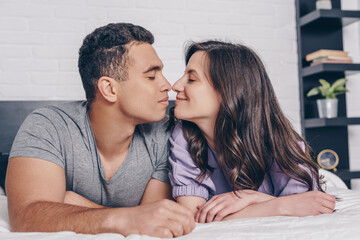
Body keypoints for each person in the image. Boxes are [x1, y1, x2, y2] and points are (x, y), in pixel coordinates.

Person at [5, 23, 194, 238]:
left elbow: (153, 220)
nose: (167, 85)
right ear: (109, 89)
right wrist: (124, 219)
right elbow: (26, 216)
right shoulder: (47, 126)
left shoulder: (166, 134)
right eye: (151, 76)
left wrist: (70, 202)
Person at [168, 40, 336, 223]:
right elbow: (194, 216)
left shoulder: (277, 140)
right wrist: (276, 205)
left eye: (191, 79)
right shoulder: (184, 135)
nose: (175, 85)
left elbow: (311, 204)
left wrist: (252, 198)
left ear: (228, 91)